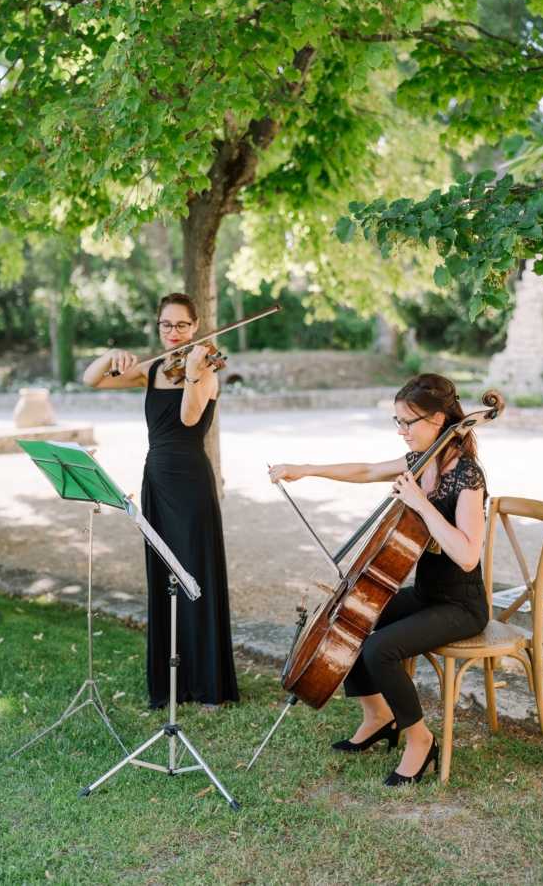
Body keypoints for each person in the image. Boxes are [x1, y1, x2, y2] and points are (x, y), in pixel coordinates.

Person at [269, 373, 489, 787]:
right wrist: (305, 469)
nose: (402, 432)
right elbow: (367, 468)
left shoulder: (467, 476)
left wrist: (421, 504)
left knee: (379, 648)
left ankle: (419, 740)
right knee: (355, 614)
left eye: (409, 422)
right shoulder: (421, 461)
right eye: (397, 423)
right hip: (427, 594)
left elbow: (467, 554)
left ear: (439, 419)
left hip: (461, 606)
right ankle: (378, 716)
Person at [83, 292, 239, 708]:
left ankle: (207, 684)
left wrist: (191, 371)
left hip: (190, 480)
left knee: (194, 572)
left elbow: (189, 418)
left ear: (196, 326)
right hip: (157, 477)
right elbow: (91, 379)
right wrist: (113, 354)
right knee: (163, 576)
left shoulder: (206, 370)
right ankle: (172, 680)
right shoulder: (151, 370)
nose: (174, 333)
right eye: (166, 325)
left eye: (182, 325)